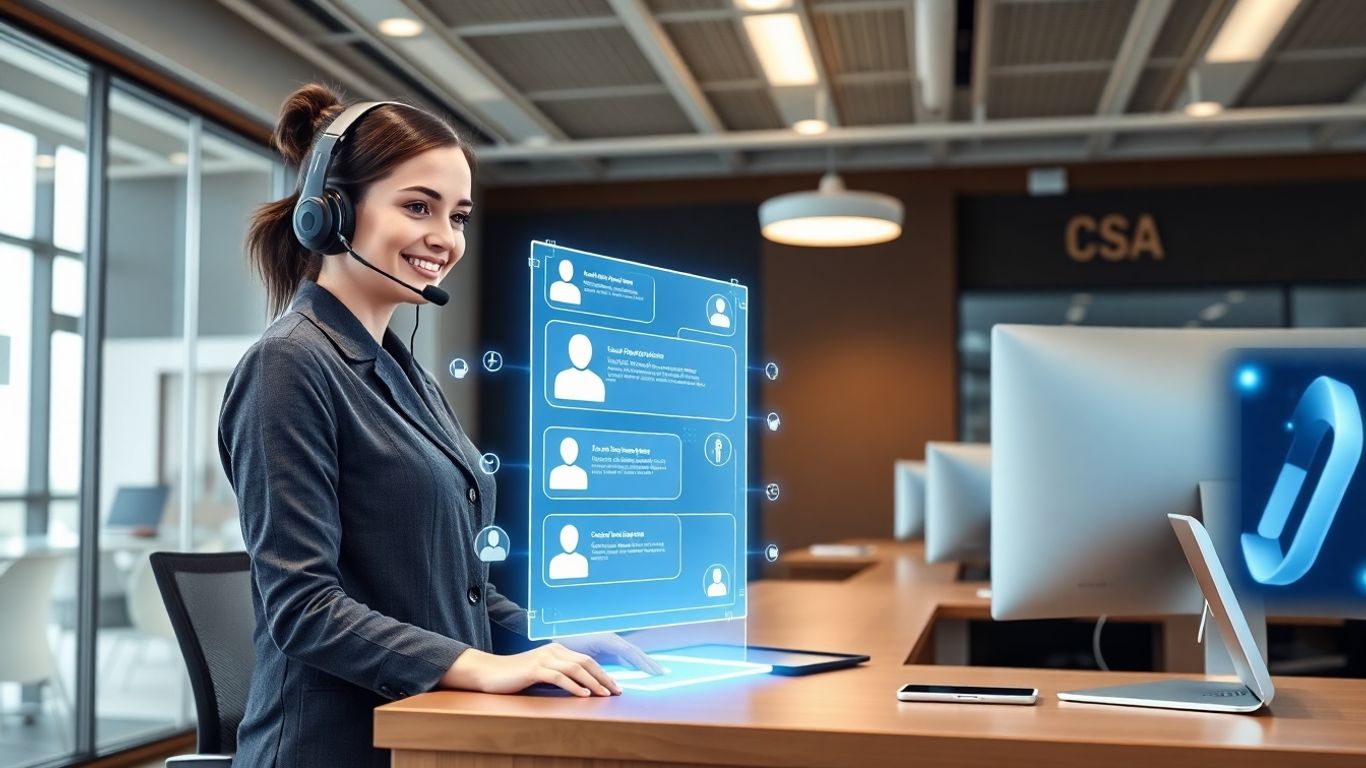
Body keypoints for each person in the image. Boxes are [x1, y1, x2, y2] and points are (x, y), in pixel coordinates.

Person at [219, 84, 661, 768]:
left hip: (432, 730)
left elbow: (453, 588)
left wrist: (545, 638)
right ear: (331, 213)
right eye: (417, 207)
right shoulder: (288, 364)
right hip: (336, 747)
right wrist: (481, 666)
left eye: (458, 216)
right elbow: (302, 607)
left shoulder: (402, 370)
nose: (445, 239)